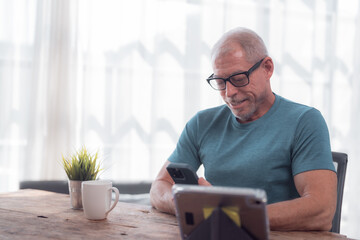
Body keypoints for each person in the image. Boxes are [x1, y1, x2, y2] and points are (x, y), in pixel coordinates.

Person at [149, 27, 337, 231]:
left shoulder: (305, 121)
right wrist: (189, 205)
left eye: (239, 79)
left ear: (267, 68)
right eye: (220, 82)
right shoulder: (202, 123)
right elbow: (159, 186)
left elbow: (322, 210)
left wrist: (230, 214)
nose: (229, 93)